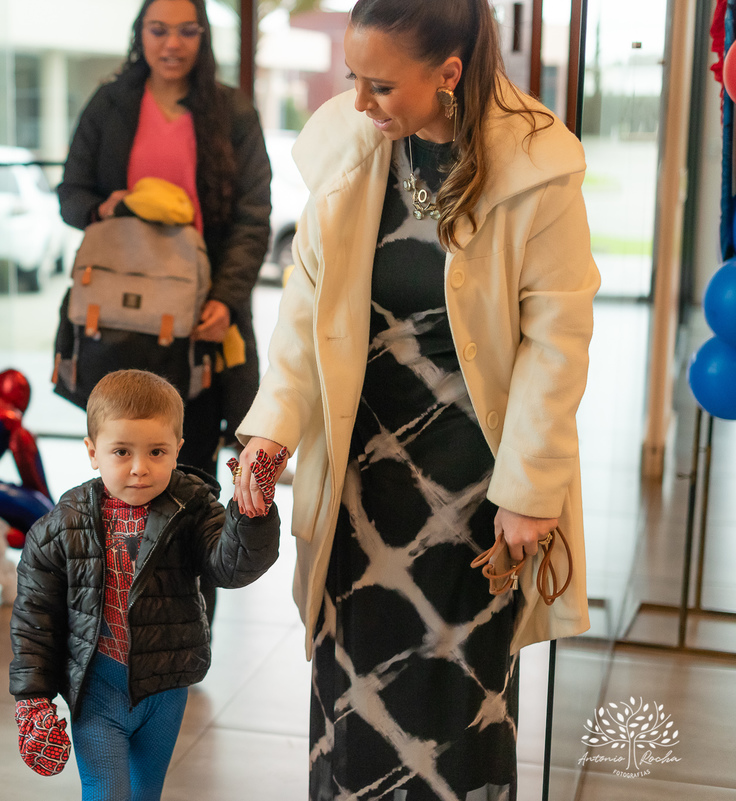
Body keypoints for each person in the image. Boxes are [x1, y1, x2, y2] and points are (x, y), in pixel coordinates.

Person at [230, 0, 598, 798]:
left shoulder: (537, 165)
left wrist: (531, 489)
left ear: (450, 73)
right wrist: (273, 429)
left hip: (475, 484)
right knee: (349, 685)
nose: (359, 102)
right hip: (359, 473)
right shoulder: (354, 149)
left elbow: (557, 342)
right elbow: (307, 310)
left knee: (455, 699)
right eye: (354, 79)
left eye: (380, 85)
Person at [59, 0, 271, 623]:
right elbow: (72, 195)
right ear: (140, 35)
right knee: (114, 475)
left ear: (203, 38)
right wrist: (112, 205)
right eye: (158, 29)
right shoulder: (111, 103)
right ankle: (106, 624)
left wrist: (225, 301)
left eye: (186, 30)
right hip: (118, 322)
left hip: (198, 321)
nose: (171, 43)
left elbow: (252, 220)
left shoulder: (231, 111)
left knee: (189, 475)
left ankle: (182, 627)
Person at [9, 369, 282, 800]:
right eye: (121, 452)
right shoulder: (59, 528)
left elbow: (231, 568)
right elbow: (34, 618)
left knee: (145, 791)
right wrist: (33, 700)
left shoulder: (193, 509)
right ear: (92, 452)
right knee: (106, 790)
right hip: (97, 686)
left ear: (178, 449)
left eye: (157, 451)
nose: (140, 468)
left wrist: (250, 515)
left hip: (167, 685)